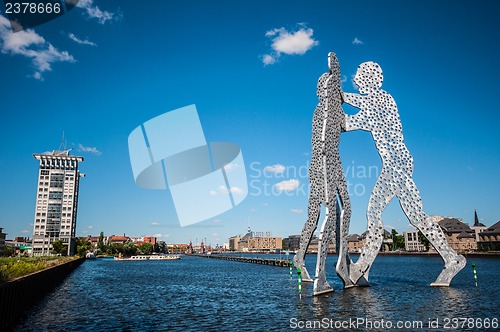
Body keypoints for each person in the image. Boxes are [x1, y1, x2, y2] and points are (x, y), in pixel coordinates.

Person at [343, 61, 466, 286]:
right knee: (417, 216)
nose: (356, 80)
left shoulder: (380, 101)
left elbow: (352, 122)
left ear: (369, 79)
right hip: (400, 164)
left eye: (359, 76)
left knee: (373, 213)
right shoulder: (380, 99)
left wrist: (335, 103)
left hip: (395, 166)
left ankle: (362, 267)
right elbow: (359, 102)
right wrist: (340, 96)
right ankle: (451, 258)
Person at [293, 52, 353, 295]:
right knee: (335, 210)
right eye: (330, 87)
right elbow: (329, 136)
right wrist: (335, 68)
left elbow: (345, 123)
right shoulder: (327, 110)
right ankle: (323, 275)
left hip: (321, 164)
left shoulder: (324, 111)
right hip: (326, 163)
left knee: (318, 215)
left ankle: (300, 261)